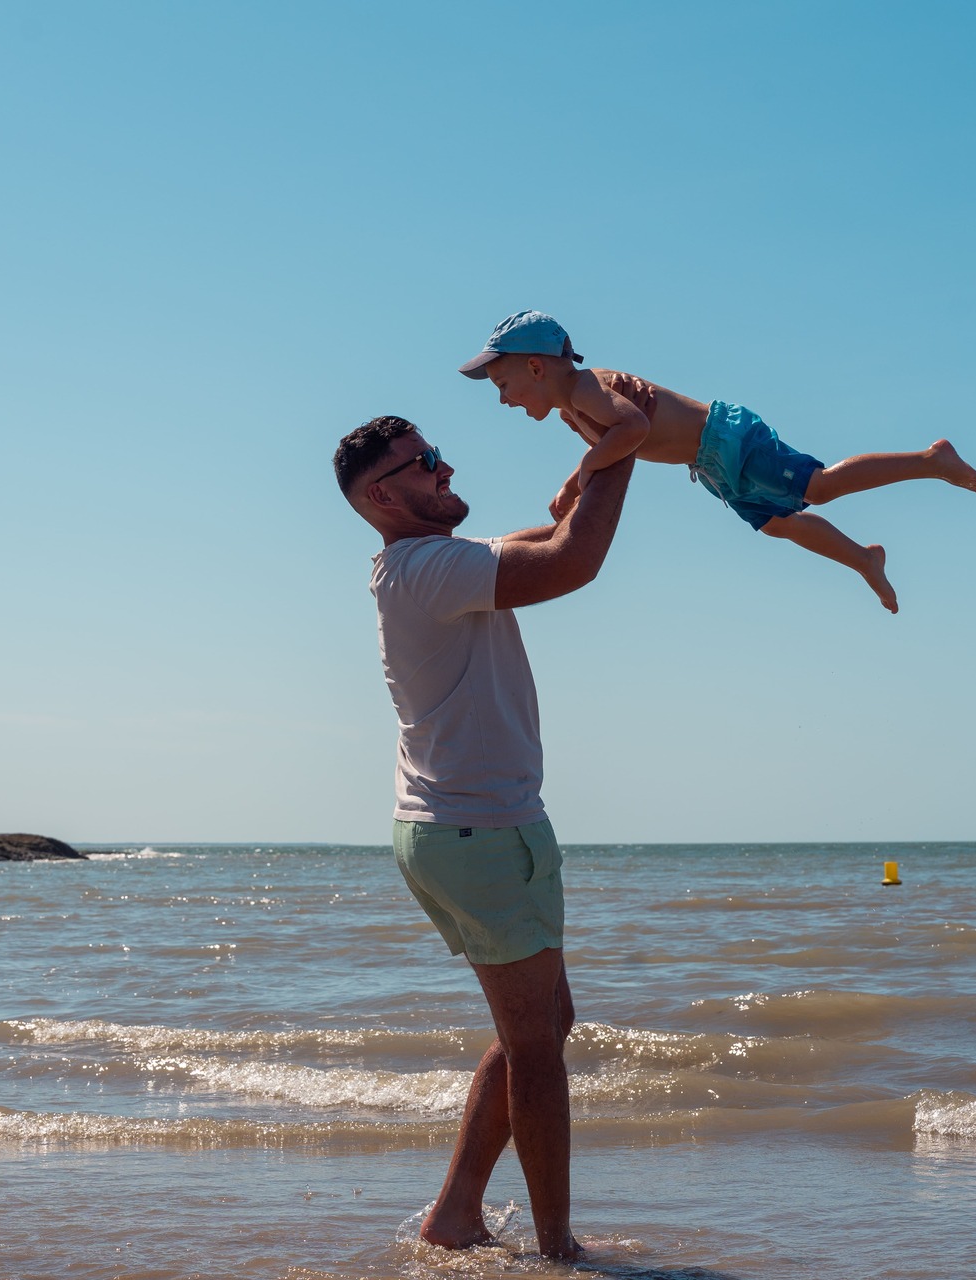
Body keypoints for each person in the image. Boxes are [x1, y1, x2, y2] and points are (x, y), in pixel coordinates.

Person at [333, 414, 634, 1261]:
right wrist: (629, 446)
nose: (445, 465)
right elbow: (576, 563)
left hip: (454, 830)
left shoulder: (425, 566)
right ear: (383, 495)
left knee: (541, 1023)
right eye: (425, 462)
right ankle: (559, 1250)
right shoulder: (430, 567)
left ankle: (457, 1213)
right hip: (482, 832)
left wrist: (597, 466)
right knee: (537, 1046)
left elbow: (554, 536)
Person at [460, 310, 976, 613]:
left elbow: (633, 429)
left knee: (819, 485)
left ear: (535, 367)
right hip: (712, 463)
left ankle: (932, 460)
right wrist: (574, 481)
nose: (503, 399)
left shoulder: (585, 388)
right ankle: (863, 560)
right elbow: (617, 441)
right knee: (780, 524)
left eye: (502, 385)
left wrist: (578, 482)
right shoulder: (571, 408)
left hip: (725, 438)